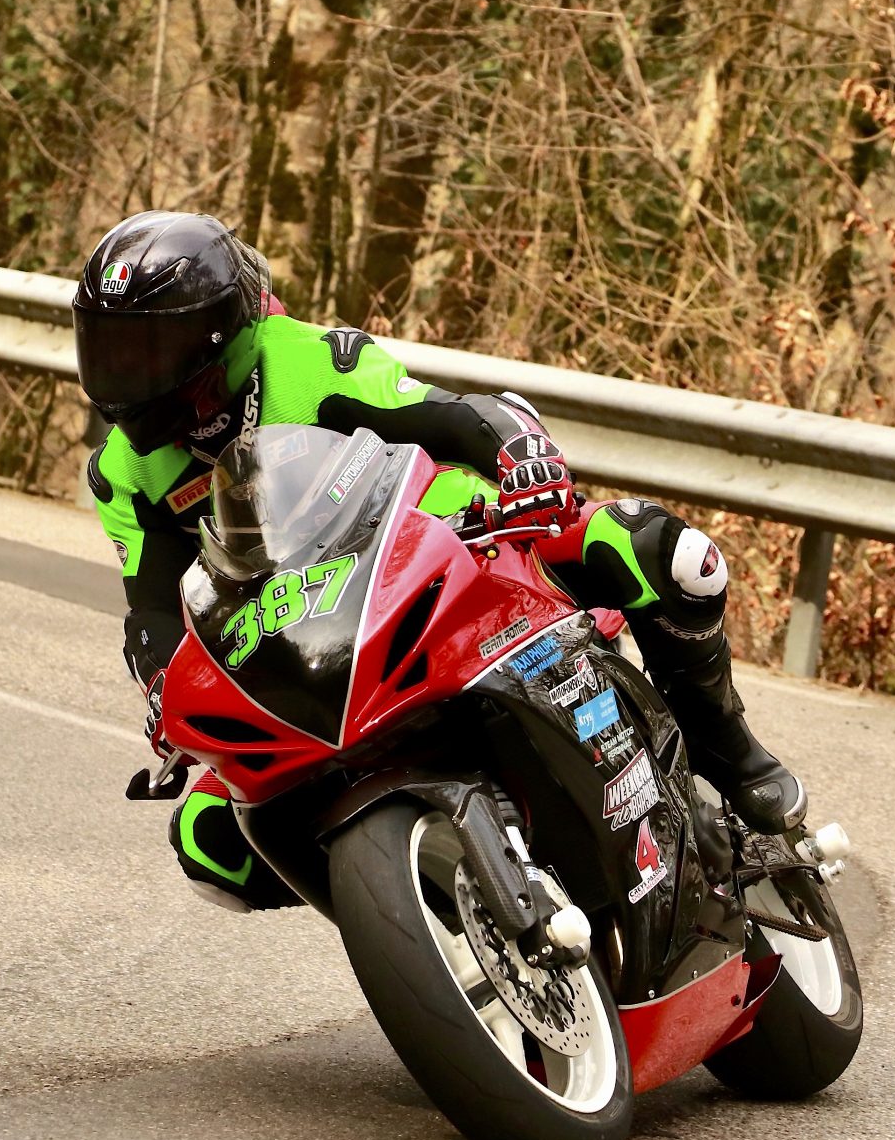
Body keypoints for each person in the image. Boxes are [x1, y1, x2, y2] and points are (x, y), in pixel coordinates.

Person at [73, 210, 803, 909]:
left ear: (216, 336)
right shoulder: (123, 475)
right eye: (106, 350)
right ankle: (431, 908)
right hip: (304, 639)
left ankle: (728, 752)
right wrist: (167, 689)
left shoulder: (306, 360)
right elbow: (155, 610)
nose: (124, 378)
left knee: (668, 555)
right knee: (209, 843)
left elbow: (455, 415)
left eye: (146, 352)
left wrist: (521, 456)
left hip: (453, 544)